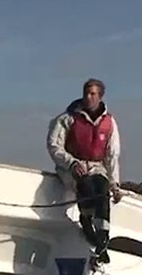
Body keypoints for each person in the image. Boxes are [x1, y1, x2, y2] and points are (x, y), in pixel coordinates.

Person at [47, 78, 123, 264]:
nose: (88, 97)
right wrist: (71, 163)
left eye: (93, 94)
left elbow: (112, 155)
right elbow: (54, 145)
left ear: (100, 96)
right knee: (86, 186)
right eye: (86, 93)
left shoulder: (109, 123)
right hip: (73, 166)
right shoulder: (67, 119)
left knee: (101, 191)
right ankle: (86, 221)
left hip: (97, 167)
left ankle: (102, 239)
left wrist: (115, 184)